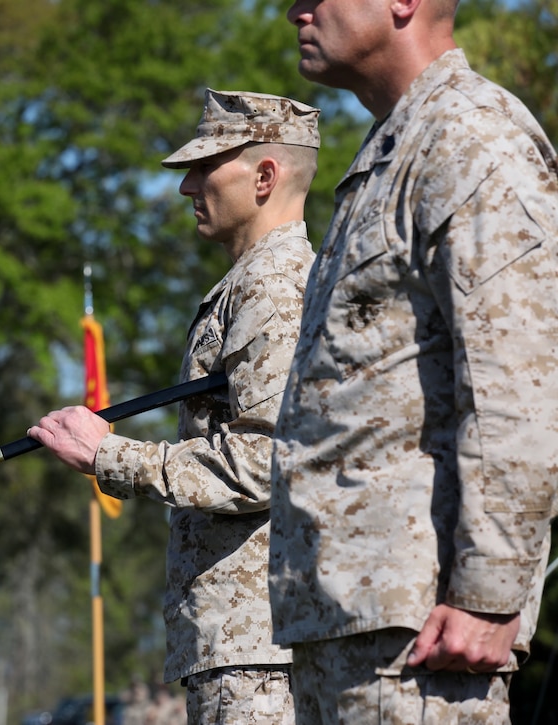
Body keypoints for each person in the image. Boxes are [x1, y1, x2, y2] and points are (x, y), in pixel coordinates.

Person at [269, 0, 558, 722]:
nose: (294, 9)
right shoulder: (390, 152)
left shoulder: (469, 136)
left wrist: (488, 595)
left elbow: (521, 379)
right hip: (348, 621)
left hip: (423, 638)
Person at [28, 89, 321, 724]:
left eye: (205, 166)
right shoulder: (252, 284)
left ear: (265, 176)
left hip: (258, 649)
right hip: (243, 641)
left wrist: (110, 457)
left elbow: (264, 460)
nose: (187, 187)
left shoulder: (274, 288)